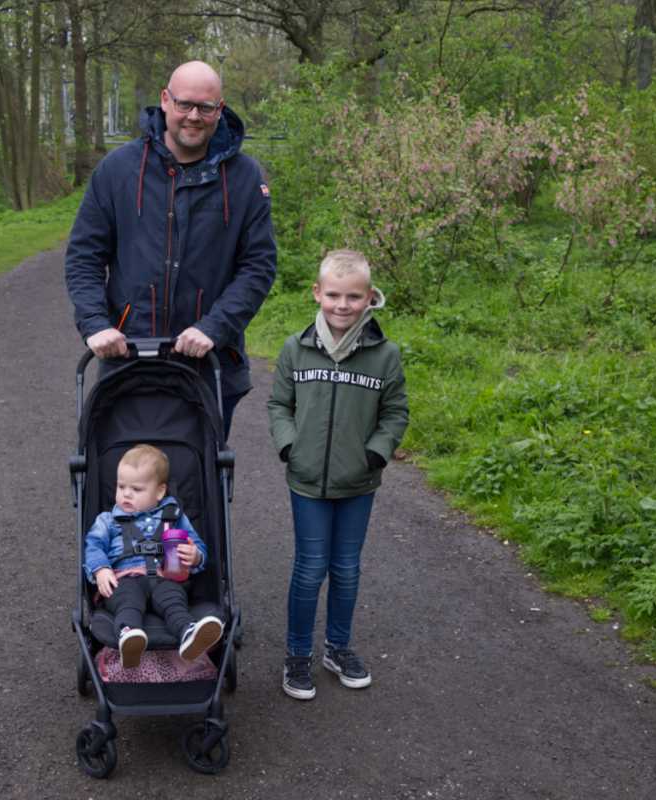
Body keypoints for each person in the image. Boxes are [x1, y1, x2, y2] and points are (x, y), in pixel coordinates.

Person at [65, 60, 277, 435]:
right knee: (130, 487)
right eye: (184, 104)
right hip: (129, 362)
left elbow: (258, 266)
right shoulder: (118, 171)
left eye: (206, 108)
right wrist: (96, 324)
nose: (194, 116)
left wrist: (214, 327)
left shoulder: (245, 179)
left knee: (201, 482)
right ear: (165, 100)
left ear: (220, 108)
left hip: (210, 365)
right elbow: (85, 256)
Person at [266, 250, 409, 700]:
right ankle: (297, 654)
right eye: (333, 295)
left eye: (352, 297)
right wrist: (290, 445)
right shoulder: (296, 348)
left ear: (369, 298)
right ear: (317, 293)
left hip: (357, 484)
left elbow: (395, 413)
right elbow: (278, 405)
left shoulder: (384, 356)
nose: (342, 305)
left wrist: (376, 454)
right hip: (306, 481)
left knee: (346, 568)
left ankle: (338, 647)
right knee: (309, 570)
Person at [84, 444, 224, 668]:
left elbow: (197, 545)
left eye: (137, 489)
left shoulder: (173, 516)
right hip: (123, 578)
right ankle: (129, 637)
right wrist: (100, 569)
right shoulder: (108, 520)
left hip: (164, 576)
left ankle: (188, 634)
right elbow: (93, 546)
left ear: (160, 492)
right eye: (121, 486)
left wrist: (195, 555)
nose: (126, 494)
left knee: (173, 600)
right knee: (128, 601)